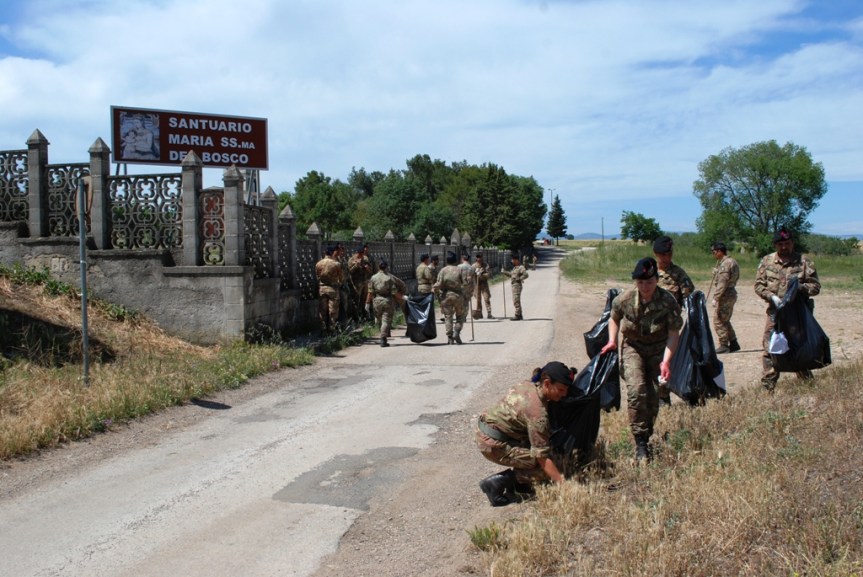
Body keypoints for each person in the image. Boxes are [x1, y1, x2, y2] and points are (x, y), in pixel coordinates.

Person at [600, 257, 683, 461]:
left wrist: (666, 361)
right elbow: (614, 318)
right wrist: (612, 340)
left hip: (657, 349)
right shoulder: (625, 299)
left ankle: (647, 432)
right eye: (640, 282)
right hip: (632, 347)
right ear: (635, 281)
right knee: (637, 390)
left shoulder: (667, 301)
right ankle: (640, 442)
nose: (645, 287)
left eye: (649, 282)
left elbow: (673, 333)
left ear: (657, 280)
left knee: (655, 395)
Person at [476, 361, 574, 506]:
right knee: (546, 466)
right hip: (494, 445)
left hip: (491, 432)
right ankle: (498, 483)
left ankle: (519, 485)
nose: (564, 394)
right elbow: (542, 457)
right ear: (547, 383)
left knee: (544, 454)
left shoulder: (529, 384)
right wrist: (563, 485)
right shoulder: (537, 413)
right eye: (560, 390)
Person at [754, 227, 821, 391]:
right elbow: (758, 286)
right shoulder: (767, 261)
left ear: (792, 243)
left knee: (799, 348)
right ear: (775, 245)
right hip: (775, 314)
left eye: (787, 243)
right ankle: (768, 388)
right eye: (780, 244)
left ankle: (807, 385)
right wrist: (771, 297)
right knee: (770, 349)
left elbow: (815, 287)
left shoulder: (804, 262)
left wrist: (801, 288)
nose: (784, 247)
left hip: (798, 315)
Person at [651, 235, 693, 406]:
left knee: (668, 362)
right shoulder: (649, 271)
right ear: (656, 253)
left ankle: (666, 395)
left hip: (670, 328)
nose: (667, 258)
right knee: (652, 363)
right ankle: (658, 396)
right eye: (663, 255)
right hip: (651, 327)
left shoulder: (679, 273)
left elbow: (689, 297)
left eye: (669, 254)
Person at [710, 242, 740, 354]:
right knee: (725, 320)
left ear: (719, 251)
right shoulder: (732, 261)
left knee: (718, 320)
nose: (713, 255)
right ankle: (733, 342)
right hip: (731, 293)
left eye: (714, 252)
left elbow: (723, 282)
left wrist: (716, 297)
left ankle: (724, 345)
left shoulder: (725, 264)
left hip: (725, 295)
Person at [433, 252, 465, 344]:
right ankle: (457, 331)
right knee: (460, 316)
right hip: (458, 296)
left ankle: (450, 338)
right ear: (455, 260)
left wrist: (434, 290)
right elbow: (465, 283)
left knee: (448, 317)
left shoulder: (443, 270)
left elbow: (438, 284)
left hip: (446, 296)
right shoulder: (459, 270)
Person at [367, 260, 399, 347]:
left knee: (379, 320)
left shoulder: (373, 277)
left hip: (376, 300)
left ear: (378, 267)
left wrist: (367, 303)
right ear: (386, 267)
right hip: (387, 300)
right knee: (385, 320)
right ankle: (383, 339)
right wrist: (402, 297)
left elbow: (370, 292)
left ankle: (382, 334)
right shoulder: (389, 278)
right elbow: (394, 292)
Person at [315, 246, 345, 335]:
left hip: (322, 289)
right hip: (333, 289)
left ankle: (323, 329)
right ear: (332, 253)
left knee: (322, 310)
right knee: (333, 311)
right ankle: (332, 330)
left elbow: (317, 276)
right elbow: (341, 277)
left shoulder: (318, 264)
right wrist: (338, 283)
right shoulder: (336, 264)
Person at [500, 253, 529, 320]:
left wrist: (520, 278)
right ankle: (520, 314)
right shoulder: (514, 268)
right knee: (516, 300)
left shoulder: (521, 267)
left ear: (516, 260)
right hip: (514, 286)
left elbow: (526, 275)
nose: (511, 261)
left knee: (516, 300)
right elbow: (511, 275)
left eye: (512, 259)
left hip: (517, 285)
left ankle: (517, 315)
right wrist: (504, 272)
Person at [348, 245, 373, 322]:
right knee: (356, 300)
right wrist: (356, 265)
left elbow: (370, 270)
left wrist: (367, 268)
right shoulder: (352, 259)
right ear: (357, 253)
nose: (362, 255)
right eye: (361, 253)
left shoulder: (365, 259)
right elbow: (350, 271)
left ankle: (364, 315)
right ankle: (355, 317)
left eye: (363, 253)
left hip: (364, 282)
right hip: (356, 283)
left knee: (365, 299)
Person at [472, 253, 493, 319]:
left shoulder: (485, 265)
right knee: (478, 299)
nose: (479, 259)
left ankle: (489, 313)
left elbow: (489, 275)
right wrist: (475, 273)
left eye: (480, 257)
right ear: (476, 258)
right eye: (478, 257)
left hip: (484, 284)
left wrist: (482, 274)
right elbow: (470, 275)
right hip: (476, 285)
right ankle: (479, 313)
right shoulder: (473, 266)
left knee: (486, 298)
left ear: (482, 257)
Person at [458, 253, 476, 323]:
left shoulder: (459, 267)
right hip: (469, 287)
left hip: (461, 287)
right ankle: (464, 316)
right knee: (466, 302)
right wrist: (474, 288)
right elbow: (474, 279)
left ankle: (460, 316)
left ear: (462, 258)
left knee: (460, 302)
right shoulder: (472, 267)